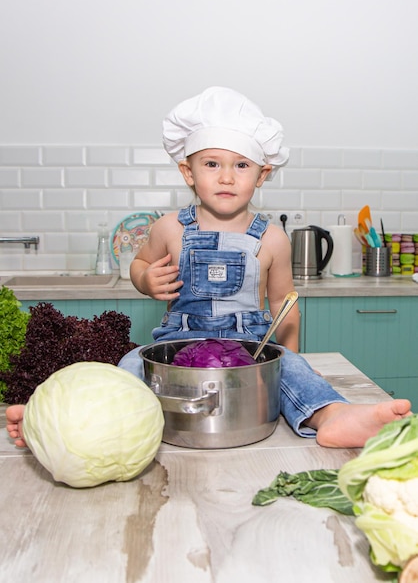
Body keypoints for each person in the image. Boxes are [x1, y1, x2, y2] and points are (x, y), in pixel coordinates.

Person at [6, 87, 411, 450]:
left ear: (262, 174)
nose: (227, 177)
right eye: (212, 164)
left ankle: (333, 416)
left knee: (293, 370)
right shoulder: (168, 228)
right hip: (175, 348)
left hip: (250, 349)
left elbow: (285, 306)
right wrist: (146, 279)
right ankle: (62, 420)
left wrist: (290, 360)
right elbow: (140, 263)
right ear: (188, 172)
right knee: (129, 367)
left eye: (241, 166)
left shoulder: (272, 239)